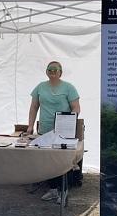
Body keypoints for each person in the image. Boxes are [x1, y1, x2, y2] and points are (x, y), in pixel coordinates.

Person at [27, 61, 81, 202]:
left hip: (63, 132)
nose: (52, 72)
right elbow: (33, 107)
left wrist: (68, 120)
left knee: (63, 161)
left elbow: (76, 108)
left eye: (55, 70)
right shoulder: (40, 87)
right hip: (44, 130)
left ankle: (64, 191)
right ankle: (52, 190)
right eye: (49, 69)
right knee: (47, 161)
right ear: (46, 72)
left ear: (60, 72)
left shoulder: (69, 88)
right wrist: (30, 126)